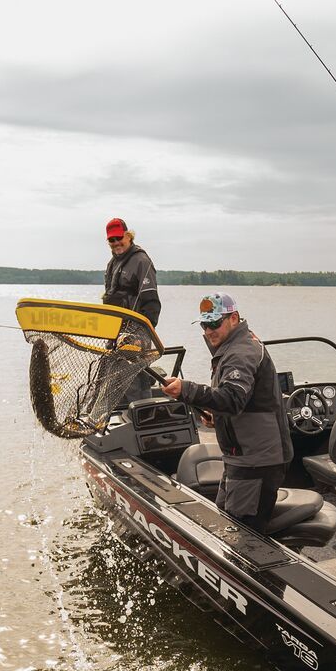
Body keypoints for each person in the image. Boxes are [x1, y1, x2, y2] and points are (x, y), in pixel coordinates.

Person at [160, 293, 293, 531]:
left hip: (257, 461)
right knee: (224, 521)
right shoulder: (232, 347)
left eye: (214, 323)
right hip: (241, 457)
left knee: (242, 534)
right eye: (204, 324)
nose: (209, 330)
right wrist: (217, 416)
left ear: (233, 318)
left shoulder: (240, 352)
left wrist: (186, 389)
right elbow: (244, 403)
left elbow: (232, 398)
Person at [101, 217, 161, 327]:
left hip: (136, 332)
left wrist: (141, 333)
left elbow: (152, 305)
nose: (116, 242)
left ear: (128, 236)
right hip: (114, 330)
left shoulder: (142, 261)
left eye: (119, 238)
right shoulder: (112, 264)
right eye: (111, 240)